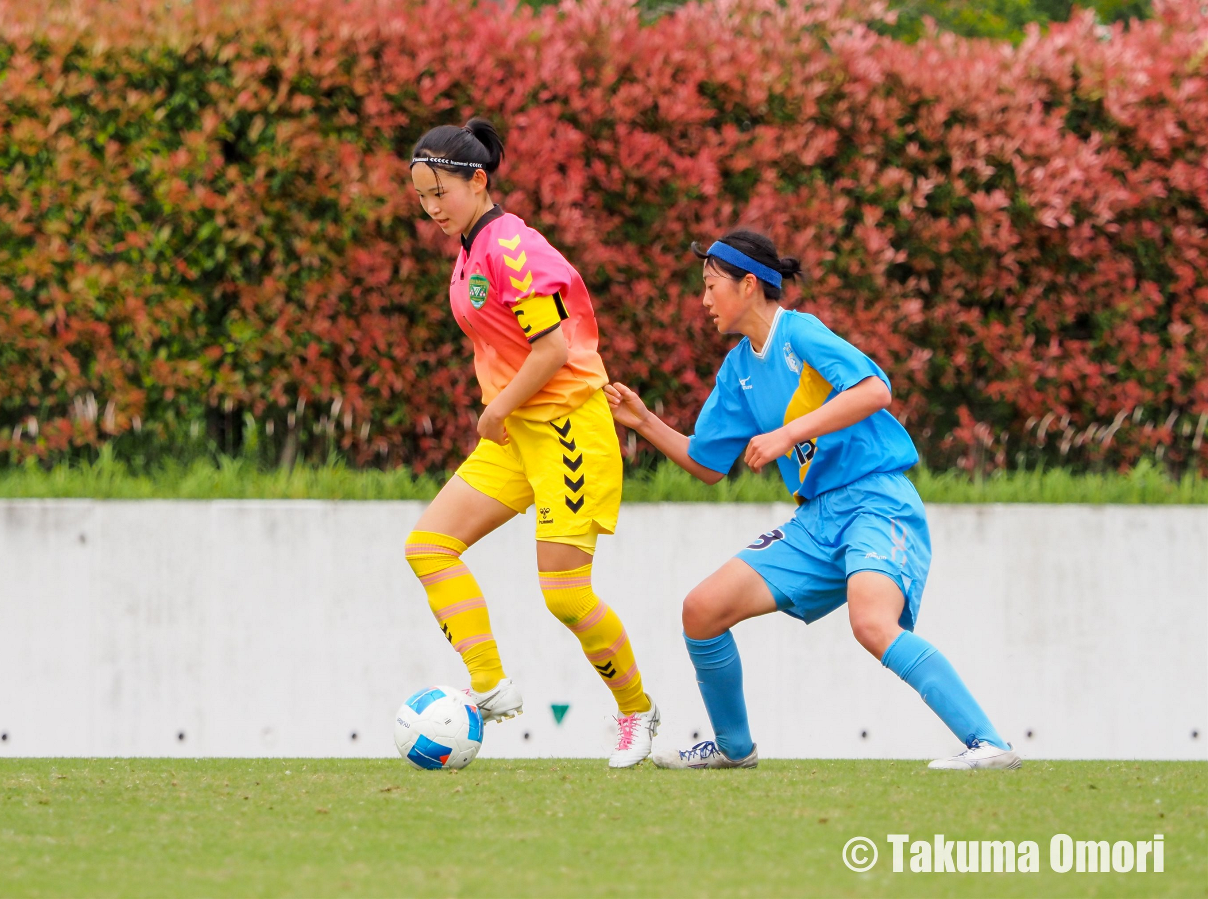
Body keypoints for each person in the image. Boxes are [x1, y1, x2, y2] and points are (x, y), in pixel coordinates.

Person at [605, 229, 1020, 771]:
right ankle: (734, 750)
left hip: (876, 501)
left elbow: (875, 390)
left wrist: (787, 434)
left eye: (710, 286)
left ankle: (988, 744)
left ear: (748, 285)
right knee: (701, 611)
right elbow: (706, 465)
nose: (703, 300)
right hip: (814, 520)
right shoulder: (737, 370)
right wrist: (644, 422)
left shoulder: (799, 333)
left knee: (872, 624)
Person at [402, 118, 660, 768]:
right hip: (519, 433)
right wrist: (506, 415)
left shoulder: (510, 247)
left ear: (478, 181)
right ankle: (488, 684)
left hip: (569, 428)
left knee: (565, 595)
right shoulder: (471, 249)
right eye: (422, 196)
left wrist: (498, 410)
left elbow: (552, 350)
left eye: (441, 193)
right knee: (429, 546)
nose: (432, 208)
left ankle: (637, 712)